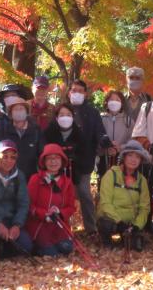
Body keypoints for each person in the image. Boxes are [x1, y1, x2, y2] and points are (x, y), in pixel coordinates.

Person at [66, 79, 109, 236]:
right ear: (69, 92)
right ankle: (65, 228)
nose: (76, 93)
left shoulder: (92, 112)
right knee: (66, 194)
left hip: (85, 160)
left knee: (84, 192)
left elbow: (99, 130)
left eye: (80, 90)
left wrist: (103, 139)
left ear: (85, 93)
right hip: (64, 161)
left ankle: (91, 228)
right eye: (74, 90)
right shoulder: (62, 110)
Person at [97, 140, 151, 251]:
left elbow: (144, 207)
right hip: (113, 219)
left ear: (141, 160)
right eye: (130, 155)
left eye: (137, 157)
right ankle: (107, 240)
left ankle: (130, 236)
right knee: (106, 224)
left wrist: (137, 225)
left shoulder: (142, 180)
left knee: (135, 247)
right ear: (124, 157)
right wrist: (119, 222)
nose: (133, 160)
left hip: (131, 222)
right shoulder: (111, 175)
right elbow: (105, 202)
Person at [24, 144, 76, 257]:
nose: (53, 162)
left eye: (56, 158)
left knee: (67, 248)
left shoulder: (67, 182)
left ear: (62, 161)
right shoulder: (36, 179)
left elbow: (71, 207)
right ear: (44, 161)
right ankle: (39, 247)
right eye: (49, 158)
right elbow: (29, 205)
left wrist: (60, 212)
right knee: (52, 254)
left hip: (59, 227)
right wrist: (44, 214)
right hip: (40, 226)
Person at [43, 104, 91, 188]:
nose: (65, 117)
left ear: (73, 117)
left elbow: (85, 155)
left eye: (68, 115)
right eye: (61, 115)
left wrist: (74, 157)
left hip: (73, 175)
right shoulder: (48, 133)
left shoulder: (80, 134)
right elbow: (43, 154)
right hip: (52, 173)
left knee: (74, 196)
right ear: (56, 118)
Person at [3, 96, 44, 180]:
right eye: (15, 109)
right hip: (9, 177)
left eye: (21, 109)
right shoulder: (4, 130)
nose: (18, 112)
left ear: (26, 112)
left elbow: (42, 153)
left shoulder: (36, 130)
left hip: (32, 177)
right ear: (11, 113)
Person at [99, 90, 134, 177]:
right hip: (104, 158)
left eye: (117, 100)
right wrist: (106, 148)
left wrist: (120, 148)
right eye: (111, 99)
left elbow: (132, 141)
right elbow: (95, 139)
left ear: (122, 103)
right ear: (106, 102)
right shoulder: (100, 119)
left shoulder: (128, 121)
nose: (114, 102)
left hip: (122, 158)